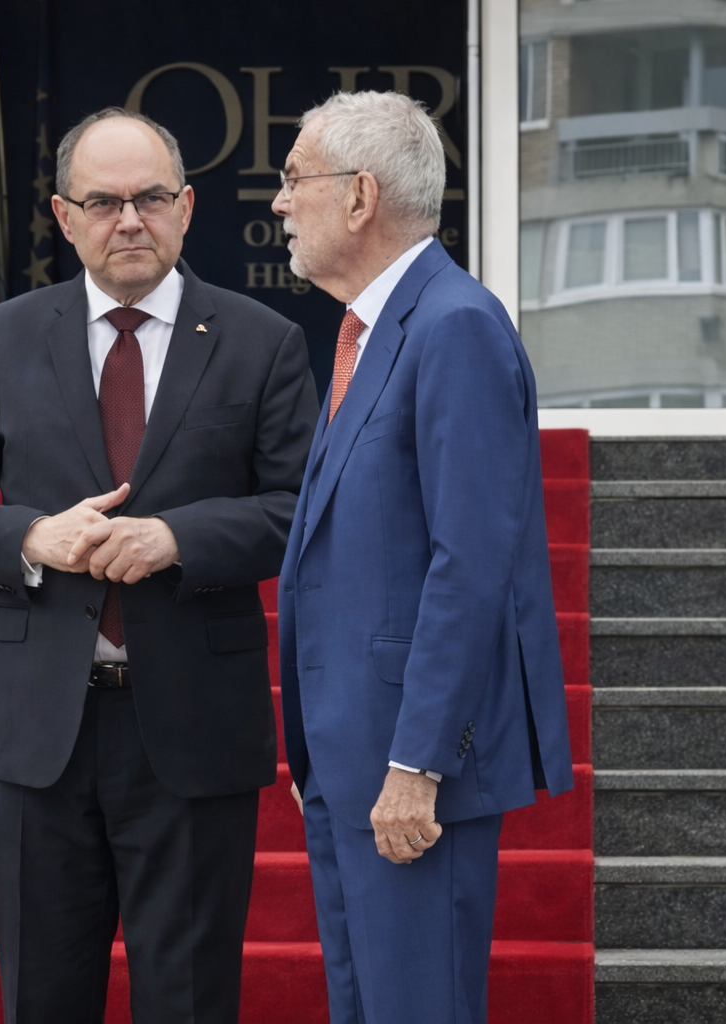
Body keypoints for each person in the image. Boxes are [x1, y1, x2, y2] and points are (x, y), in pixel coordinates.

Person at [0, 108, 318, 1024]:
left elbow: (303, 512)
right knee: (44, 999)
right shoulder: (3, 337)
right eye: (103, 202)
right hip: (40, 734)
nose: (129, 220)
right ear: (64, 216)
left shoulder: (263, 340)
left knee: (189, 1001)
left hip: (194, 729)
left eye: (151, 199)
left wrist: (179, 538)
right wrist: (31, 538)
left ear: (187, 208)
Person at [272, 91, 574, 1023]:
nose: (280, 202)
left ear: (359, 196)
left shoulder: (454, 326)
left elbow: (471, 565)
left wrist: (419, 763)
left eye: (294, 179)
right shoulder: (368, 333)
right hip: (350, 757)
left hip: (408, 768)